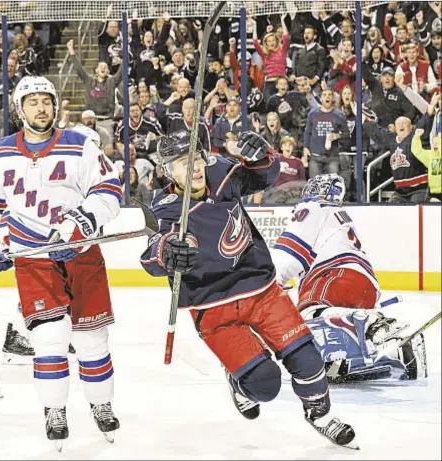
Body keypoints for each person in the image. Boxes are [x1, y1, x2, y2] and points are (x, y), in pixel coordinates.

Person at [139, 130, 357, 449]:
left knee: (308, 360)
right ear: (167, 171)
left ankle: (320, 415)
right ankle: (239, 383)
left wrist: (260, 156)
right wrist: (166, 253)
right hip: (212, 307)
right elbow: (151, 256)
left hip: (260, 288)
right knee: (265, 385)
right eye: (183, 164)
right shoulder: (166, 209)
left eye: (197, 158)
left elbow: (264, 176)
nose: (195, 167)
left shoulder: (222, 171)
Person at [0, 76, 122, 450]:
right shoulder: (0, 153)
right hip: (33, 262)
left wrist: (78, 224)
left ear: (55, 106)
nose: (41, 108)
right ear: (20, 110)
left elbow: (109, 192)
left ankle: (101, 405)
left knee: (91, 340)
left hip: (82, 257)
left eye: (46, 101)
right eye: (33, 102)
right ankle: (54, 410)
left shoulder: (81, 146)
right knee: (50, 340)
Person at [271, 174, 427, 382]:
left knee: (308, 317)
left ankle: (377, 325)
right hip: (363, 284)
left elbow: (289, 254)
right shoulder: (339, 214)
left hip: (333, 275)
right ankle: (363, 345)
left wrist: (269, 284)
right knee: (322, 328)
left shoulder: (314, 207)